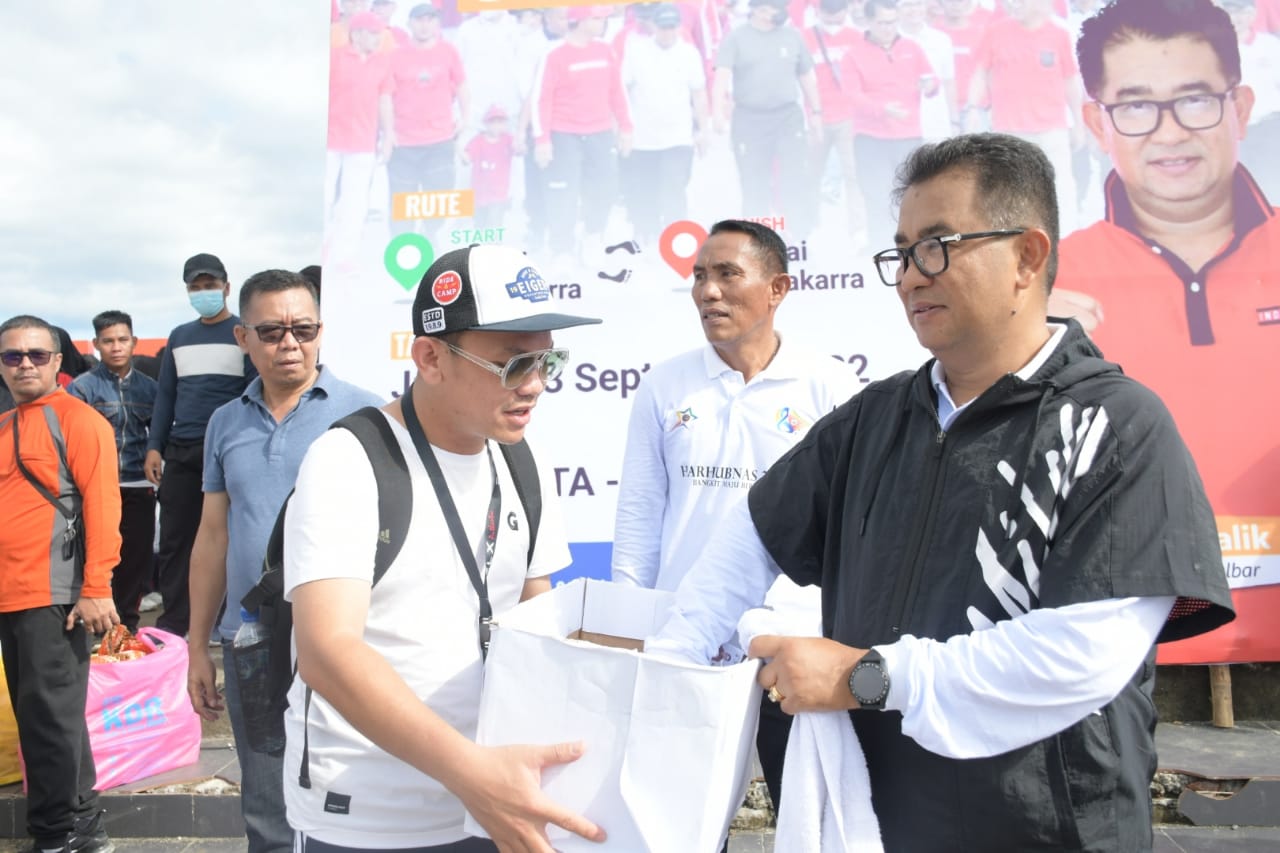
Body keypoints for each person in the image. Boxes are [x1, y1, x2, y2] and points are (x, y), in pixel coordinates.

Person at [646, 133, 1235, 850]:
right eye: (900, 251)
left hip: (1048, 829)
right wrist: (664, 680)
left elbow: (1083, 654)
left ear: (1027, 255)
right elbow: (748, 541)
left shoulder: (1117, 425)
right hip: (882, 822)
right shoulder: (873, 417)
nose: (910, 275)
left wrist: (868, 677)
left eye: (937, 245)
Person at [282, 245, 607, 852]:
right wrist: (471, 773)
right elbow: (325, 653)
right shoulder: (348, 460)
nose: (535, 386)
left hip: (495, 804)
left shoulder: (521, 457)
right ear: (430, 357)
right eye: (513, 365)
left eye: (547, 361)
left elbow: (537, 617)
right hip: (370, 818)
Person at [1053, 0, 1279, 662]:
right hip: (1121, 661)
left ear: (1240, 107)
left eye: (1194, 100)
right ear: (1097, 121)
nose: (1169, 132)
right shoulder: (1045, 284)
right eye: (1135, 106)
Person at [612, 219, 859, 814]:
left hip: (787, 647)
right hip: (688, 642)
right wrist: (632, 627)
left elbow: (852, 526)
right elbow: (640, 516)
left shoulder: (828, 385)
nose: (708, 291)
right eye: (699, 276)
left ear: (777, 289)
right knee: (684, 825)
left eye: (727, 274)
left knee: (809, 821)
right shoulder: (665, 385)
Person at [184, 270, 382, 853]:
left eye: (303, 328)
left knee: (357, 796)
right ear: (243, 338)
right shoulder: (224, 423)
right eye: (271, 332)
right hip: (252, 640)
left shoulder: (370, 416)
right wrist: (198, 645)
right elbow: (213, 537)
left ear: (321, 332)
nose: (289, 344)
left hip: (349, 638)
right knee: (267, 805)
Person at [0, 314, 121, 853]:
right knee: (48, 721)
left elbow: (102, 506)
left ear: (57, 360)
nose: (24, 364)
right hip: (11, 595)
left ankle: (54, 836)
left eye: (36, 354)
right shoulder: (6, 425)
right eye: (11, 356)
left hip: (55, 595)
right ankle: (82, 830)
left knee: (48, 724)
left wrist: (97, 586)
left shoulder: (78, 420)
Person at [146, 253, 254, 639]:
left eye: (210, 285)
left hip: (229, 450)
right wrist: (154, 446)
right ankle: (175, 625)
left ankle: (223, 623)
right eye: (196, 287)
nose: (203, 292)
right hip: (182, 450)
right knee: (176, 540)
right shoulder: (179, 336)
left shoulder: (245, 332)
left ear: (227, 288)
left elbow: (252, 392)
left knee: (227, 538)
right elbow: (166, 397)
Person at [69, 310, 158, 634]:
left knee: (135, 562)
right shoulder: (82, 389)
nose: (116, 347)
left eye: (122, 339)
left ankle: (126, 631)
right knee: (95, 558)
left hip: (137, 485)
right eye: (108, 341)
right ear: (96, 344)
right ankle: (93, 630)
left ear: (134, 342)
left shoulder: (151, 389)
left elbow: (158, 436)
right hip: (93, 490)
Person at [964, 0, 1084, 231]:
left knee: (1059, 188)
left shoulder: (1059, 34)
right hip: (1009, 129)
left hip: (1052, 128)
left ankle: (1064, 238)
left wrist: (1078, 122)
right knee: (1010, 187)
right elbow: (980, 73)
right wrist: (972, 109)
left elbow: (1071, 80)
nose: (1014, 4)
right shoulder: (995, 32)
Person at [532, 4, 633, 265]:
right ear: (580, 20)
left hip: (600, 133)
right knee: (563, 194)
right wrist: (542, 140)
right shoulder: (554, 55)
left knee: (606, 188)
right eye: (597, 18)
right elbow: (541, 99)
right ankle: (562, 250)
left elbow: (617, 92)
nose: (603, 22)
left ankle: (591, 236)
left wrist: (626, 127)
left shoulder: (605, 50)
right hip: (564, 135)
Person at [713, 0, 822, 236]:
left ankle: (800, 238)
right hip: (749, 120)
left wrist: (816, 112)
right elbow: (722, 75)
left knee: (794, 179)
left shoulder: (793, 36)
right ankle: (758, 240)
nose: (776, 14)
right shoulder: (736, 38)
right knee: (754, 182)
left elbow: (806, 76)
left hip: (787, 117)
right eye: (771, 8)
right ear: (757, 9)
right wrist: (717, 112)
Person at [843, 0, 938, 247]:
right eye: (882, 23)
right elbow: (852, 95)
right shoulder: (853, 54)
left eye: (893, 22)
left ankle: (915, 248)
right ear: (869, 21)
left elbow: (931, 79)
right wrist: (881, 110)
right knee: (877, 196)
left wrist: (930, 86)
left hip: (908, 135)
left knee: (913, 196)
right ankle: (881, 248)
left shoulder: (912, 48)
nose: (888, 28)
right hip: (870, 138)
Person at [619, 3, 709, 248]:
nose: (668, 33)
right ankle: (645, 235)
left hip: (678, 136)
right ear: (653, 27)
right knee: (643, 190)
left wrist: (703, 130)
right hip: (643, 137)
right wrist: (623, 128)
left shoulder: (689, 53)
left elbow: (699, 94)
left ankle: (676, 239)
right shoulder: (636, 50)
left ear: (679, 27)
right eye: (663, 27)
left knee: (674, 189)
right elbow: (623, 91)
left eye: (672, 28)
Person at [387, 4, 468, 240]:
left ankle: (433, 243)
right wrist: (388, 132)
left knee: (438, 201)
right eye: (420, 20)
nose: (425, 25)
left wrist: (465, 116)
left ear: (437, 24)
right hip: (404, 142)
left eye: (430, 20)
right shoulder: (395, 55)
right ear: (410, 23)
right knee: (402, 206)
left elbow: (462, 85)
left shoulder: (449, 51)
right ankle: (403, 253)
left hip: (440, 140)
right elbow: (386, 95)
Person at [326, 11, 394, 259]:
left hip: (363, 142)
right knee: (325, 198)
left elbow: (385, 100)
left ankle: (346, 255)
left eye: (380, 33)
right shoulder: (334, 57)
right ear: (356, 34)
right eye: (373, 33)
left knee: (355, 203)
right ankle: (323, 246)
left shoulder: (382, 63)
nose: (378, 38)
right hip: (330, 140)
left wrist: (388, 137)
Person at [462, 105, 517, 232]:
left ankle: (494, 248)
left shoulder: (508, 140)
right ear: (486, 124)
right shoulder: (478, 141)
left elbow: (519, 149)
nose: (497, 126)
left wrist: (521, 137)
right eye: (493, 122)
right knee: (479, 225)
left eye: (500, 122)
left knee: (495, 223)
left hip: (499, 194)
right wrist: (457, 146)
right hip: (479, 194)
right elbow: (467, 158)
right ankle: (480, 249)